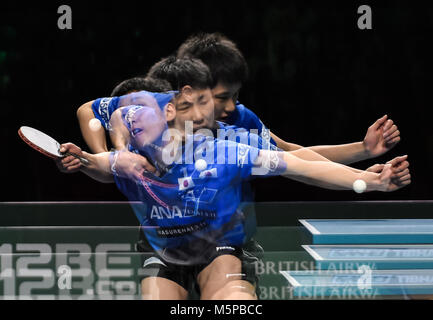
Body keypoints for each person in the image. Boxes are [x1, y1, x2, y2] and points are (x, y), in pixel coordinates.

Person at [59, 58, 411, 300]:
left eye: (224, 100)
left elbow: (297, 161)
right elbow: (100, 123)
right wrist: (99, 156)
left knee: (232, 298)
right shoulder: (143, 115)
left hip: (220, 241)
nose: (223, 108)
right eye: (214, 98)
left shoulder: (230, 142)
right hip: (164, 246)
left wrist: (365, 176)